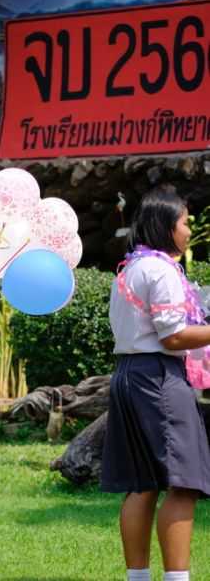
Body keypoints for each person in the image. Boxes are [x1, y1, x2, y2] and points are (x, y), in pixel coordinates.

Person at [103, 186, 210, 581]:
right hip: (158, 378)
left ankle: (138, 577)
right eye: (184, 223)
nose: (188, 231)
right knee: (183, 484)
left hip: (128, 375)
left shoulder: (129, 269)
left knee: (142, 483)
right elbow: (174, 336)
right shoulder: (161, 270)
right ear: (166, 226)